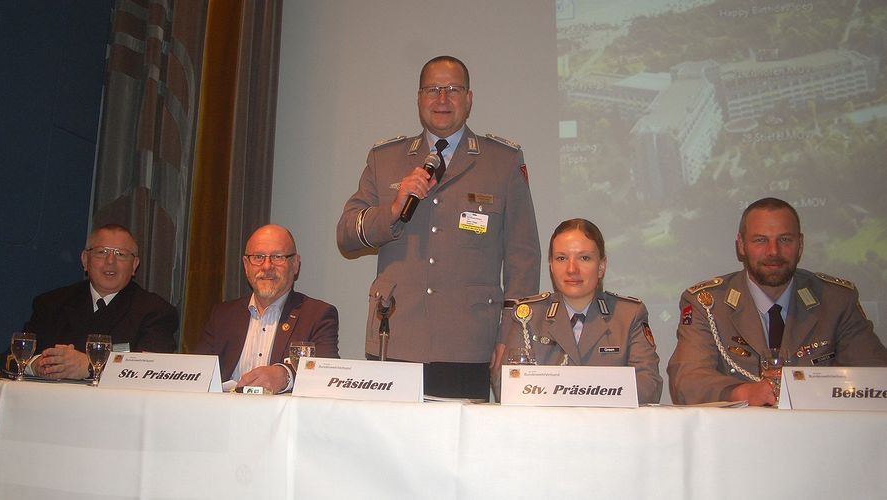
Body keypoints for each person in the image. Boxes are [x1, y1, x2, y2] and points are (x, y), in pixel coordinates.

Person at [336, 55, 541, 400]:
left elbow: (523, 257)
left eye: (453, 89)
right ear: (418, 98)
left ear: (469, 99)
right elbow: (346, 236)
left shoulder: (502, 161)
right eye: (433, 89)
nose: (442, 99)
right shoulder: (384, 158)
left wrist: (511, 334)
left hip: (468, 344)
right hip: (395, 335)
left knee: (458, 449)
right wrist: (393, 208)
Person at [668, 197, 887, 406]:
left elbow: (877, 376)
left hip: (821, 433)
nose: (773, 251)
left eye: (785, 240)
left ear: (800, 244)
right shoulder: (707, 304)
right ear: (741, 245)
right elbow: (687, 381)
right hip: (739, 436)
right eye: (760, 240)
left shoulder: (836, 300)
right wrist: (743, 393)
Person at [493, 219, 662, 404]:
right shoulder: (528, 316)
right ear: (551, 265)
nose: (571, 269)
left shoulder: (628, 315)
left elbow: (647, 388)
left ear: (601, 267)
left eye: (584, 258)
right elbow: (507, 386)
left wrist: (571, 390)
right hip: (546, 428)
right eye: (561, 258)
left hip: (611, 429)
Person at [1, 224, 178, 379]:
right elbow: (10, 357)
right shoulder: (51, 303)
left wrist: (90, 366)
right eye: (101, 252)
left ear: (134, 265)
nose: (110, 261)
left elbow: (151, 369)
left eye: (121, 255)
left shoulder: (156, 311)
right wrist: (35, 364)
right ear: (85, 260)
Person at [193, 224, 339, 393]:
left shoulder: (317, 315)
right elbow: (198, 371)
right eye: (258, 257)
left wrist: (285, 375)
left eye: (277, 257)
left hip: (282, 417)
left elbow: (326, 371)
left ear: (295, 264)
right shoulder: (223, 315)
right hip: (225, 414)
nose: (267, 266)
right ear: (246, 265)